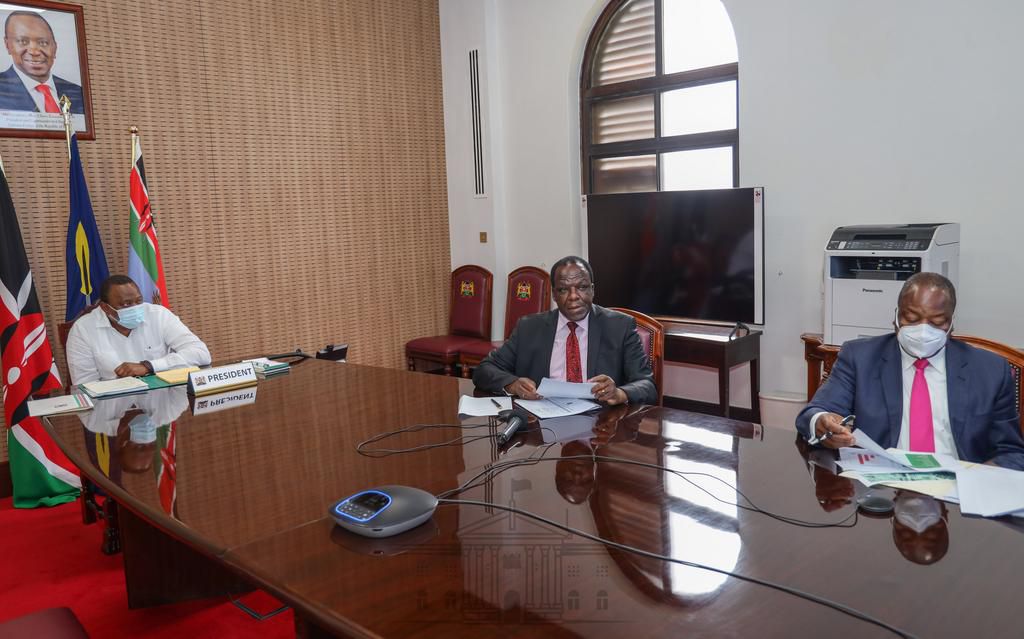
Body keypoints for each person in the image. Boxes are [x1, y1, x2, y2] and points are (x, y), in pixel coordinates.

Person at [796, 272, 1024, 469]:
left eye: (937, 322)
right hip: (883, 488)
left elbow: (1011, 451)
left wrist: (980, 480)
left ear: (951, 323)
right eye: (911, 318)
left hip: (959, 491)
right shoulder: (860, 357)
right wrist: (822, 421)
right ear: (895, 317)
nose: (923, 330)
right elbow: (815, 412)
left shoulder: (990, 370)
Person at [472, 256, 657, 406]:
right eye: (563, 290)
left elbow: (647, 385)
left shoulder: (620, 326)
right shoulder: (529, 328)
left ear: (592, 290)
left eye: (582, 287)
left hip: (601, 427)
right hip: (544, 427)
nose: (574, 297)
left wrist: (620, 393)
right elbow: (484, 370)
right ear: (554, 294)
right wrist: (512, 385)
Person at [66, 274, 211, 385]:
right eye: (126, 304)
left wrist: (148, 366)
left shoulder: (158, 315)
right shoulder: (83, 330)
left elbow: (200, 353)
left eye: (138, 301)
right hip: (115, 412)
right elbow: (84, 385)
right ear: (105, 307)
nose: (135, 308)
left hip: (162, 403)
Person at [0, 11, 84, 114]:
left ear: (55, 48)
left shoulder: (78, 94)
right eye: (22, 41)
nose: (34, 52)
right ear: (7, 45)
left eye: (43, 43)